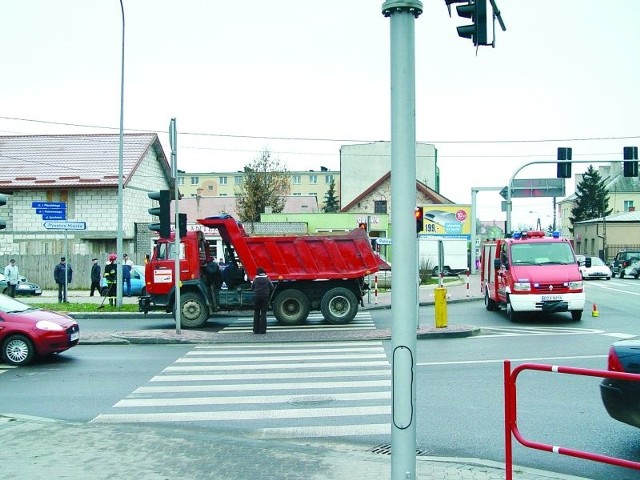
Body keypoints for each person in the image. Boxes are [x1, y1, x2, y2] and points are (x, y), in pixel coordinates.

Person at [251, 267, 274, 334]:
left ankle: (256, 330)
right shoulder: (267, 279)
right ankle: (263, 330)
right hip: (265, 297)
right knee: (263, 313)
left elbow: (252, 288)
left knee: (256, 313)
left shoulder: (255, 280)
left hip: (257, 297)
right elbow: (272, 287)